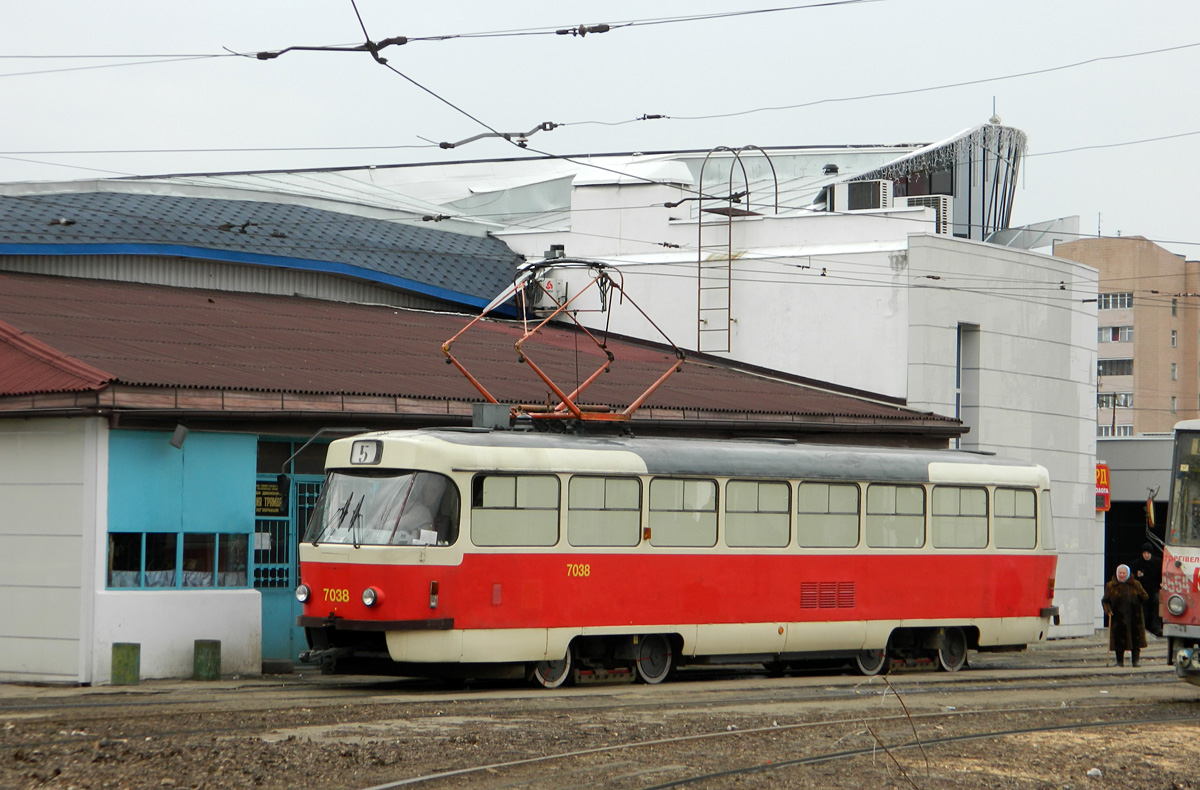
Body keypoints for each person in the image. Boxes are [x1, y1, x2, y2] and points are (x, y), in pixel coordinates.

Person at [1101, 564, 1148, 667]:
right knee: (1119, 641)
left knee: (1135, 640)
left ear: (1127, 574)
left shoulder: (1135, 584)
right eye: (1120, 573)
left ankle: (1135, 661)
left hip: (1134, 617)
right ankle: (1119, 662)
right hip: (1118, 618)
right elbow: (1105, 601)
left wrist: (1137, 603)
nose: (1122, 575)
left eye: (1124, 573)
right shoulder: (1111, 586)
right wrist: (1107, 610)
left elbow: (1145, 597)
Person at [1131, 542, 1162, 637]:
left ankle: (1156, 627)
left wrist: (1161, 583)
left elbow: (1161, 575)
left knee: (1156, 604)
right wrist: (1137, 576)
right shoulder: (1136, 563)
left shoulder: (1158, 562)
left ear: (1151, 554)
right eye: (1144, 553)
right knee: (1142, 608)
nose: (1146, 555)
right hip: (1142, 590)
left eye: (1148, 553)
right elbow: (1132, 578)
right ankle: (1141, 627)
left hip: (1154, 589)